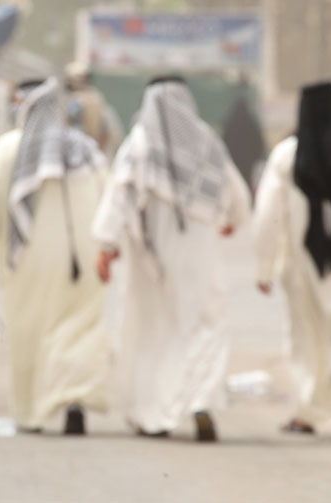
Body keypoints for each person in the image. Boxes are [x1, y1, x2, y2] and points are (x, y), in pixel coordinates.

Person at [92, 76, 251, 441]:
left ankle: (154, 416)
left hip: (150, 260)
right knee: (205, 324)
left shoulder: (139, 146)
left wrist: (106, 246)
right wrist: (233, 220)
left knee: (152, 332)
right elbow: (236, 193)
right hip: (200, 256)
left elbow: (119, 199)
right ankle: (201, 402)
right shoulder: (206, 141)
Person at [0, 77, 109, 435]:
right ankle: (73, 400)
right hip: (84, 260)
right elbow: (108, 202)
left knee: (30, 331)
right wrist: (109, 250)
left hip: (28, 261)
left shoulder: (9, 147)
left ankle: (31, 413)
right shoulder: (85, 148)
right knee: (78, 328)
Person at [254, 81, 331, 440]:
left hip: (305, 264)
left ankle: (311, 413)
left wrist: (263, 266)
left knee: (309, 339)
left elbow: (267, 216)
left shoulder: (286, 156)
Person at [64, 61, 123, 160]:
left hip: (78, 159)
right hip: (96, 157)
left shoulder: (75, 102)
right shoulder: (97, 99)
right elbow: (108, 132)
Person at [222, 94, 266, 192]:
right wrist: (255, 158)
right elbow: (259, 144)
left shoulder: (230, 124)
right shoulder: (251, 124)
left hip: (235, 161)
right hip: (248, 163)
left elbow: (224, 142)